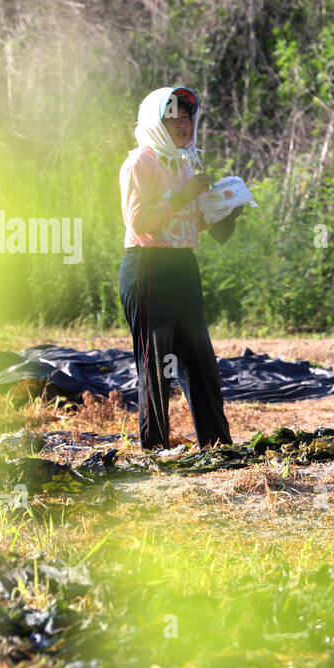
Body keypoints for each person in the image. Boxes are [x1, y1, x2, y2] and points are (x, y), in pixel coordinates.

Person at [118, 85, 243, 449]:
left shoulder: (187, 163)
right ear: (155, 121)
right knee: (156, 362)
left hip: (183, 265)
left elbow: (193, 223)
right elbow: (139, 221)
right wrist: (184, 195)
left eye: (187, 115)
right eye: (172, 115)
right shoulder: (140, 162)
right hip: (148, 267)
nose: (183, 123)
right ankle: (155, 450)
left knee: (200, 358)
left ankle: (217, 446)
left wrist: (226, 207)